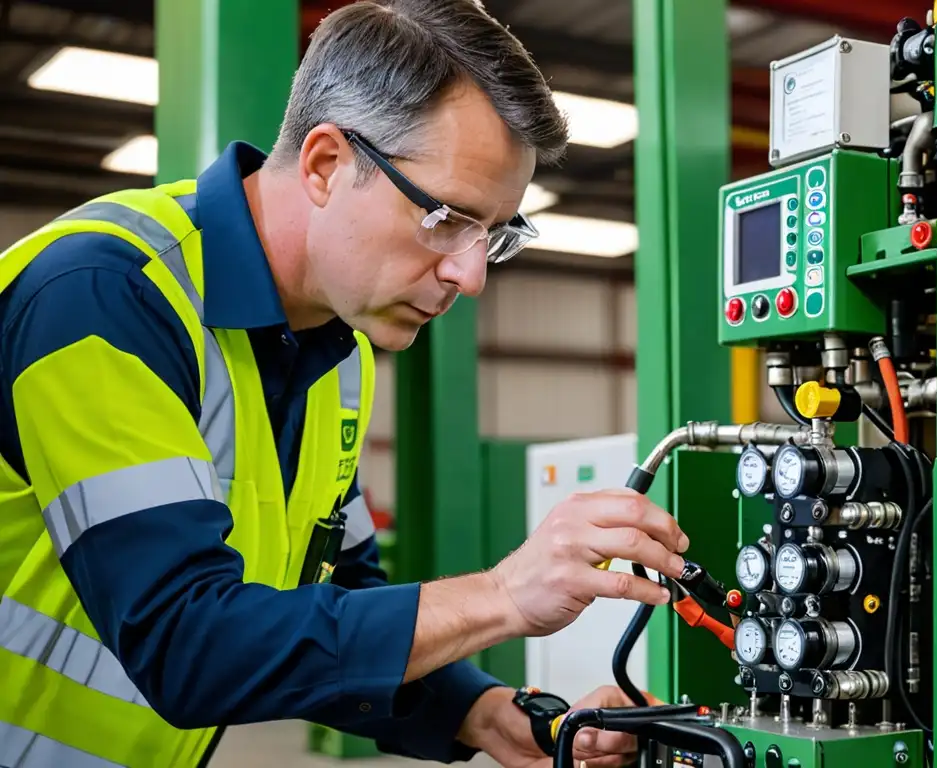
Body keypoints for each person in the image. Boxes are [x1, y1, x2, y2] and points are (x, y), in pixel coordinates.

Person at [0, 1, 690, 766]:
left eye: (494, 234)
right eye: (447, 219)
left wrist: (496, 715)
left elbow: (340, 616)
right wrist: (501, 594)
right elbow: (185, 644)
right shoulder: (104, 298)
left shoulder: (339, 355)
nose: (470, 275)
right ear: (327, 164)